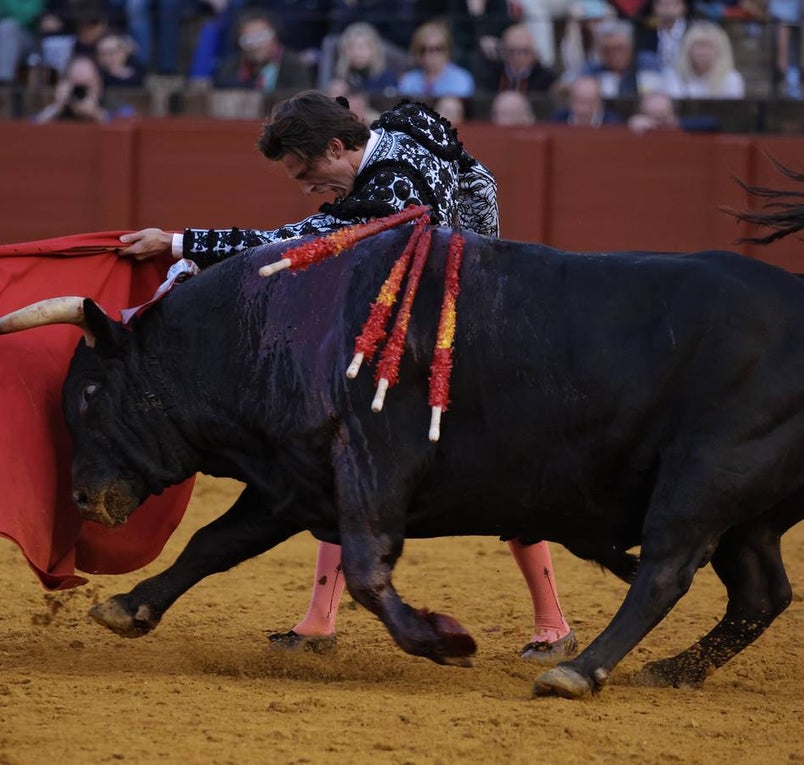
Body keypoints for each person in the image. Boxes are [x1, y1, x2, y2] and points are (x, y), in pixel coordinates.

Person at [116, 90, 577, 662]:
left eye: (309, 174)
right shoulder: (413, 123)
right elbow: (481, 179)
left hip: (448, 346)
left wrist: (181, 242)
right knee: (341, 459)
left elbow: (295, 242)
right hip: (445, 329)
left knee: (501, 471)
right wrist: (486, 250)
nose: (309, 188)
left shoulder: (388, 190)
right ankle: (319, 621)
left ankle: (554, 623)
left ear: (338, 146)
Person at [213, 8, 314, 92]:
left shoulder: (295, 66)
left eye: (261, 37)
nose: (256, 45)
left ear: (275, 37)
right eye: (248, 40)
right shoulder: (228, 69)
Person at [33, 53, 132, 122]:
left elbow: (127, 124)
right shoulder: (59, 110)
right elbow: (28, 131)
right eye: (77, 86)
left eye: (86, 86)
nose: (80, 92)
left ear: (99, 85)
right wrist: (56, 108)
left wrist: (98, 114)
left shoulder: (118, 108)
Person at [662, 19, 744, 99]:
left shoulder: (731, 79)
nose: (702, 52)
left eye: (708, 46)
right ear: (687, 50)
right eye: (698, 46)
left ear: (719, 51)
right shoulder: (674, 76)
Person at [397, 20, 475, 99]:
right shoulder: (409, 80)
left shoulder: (461, 79)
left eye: (436, 49)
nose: (428, 55)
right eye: (423, 50)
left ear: (447, 50)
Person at [476, 22, 557, 94]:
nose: (518, 57)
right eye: (512, 51)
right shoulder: (491, 75)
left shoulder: (546, 79)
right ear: (503, 52)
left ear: (534, 54)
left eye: (524, 51)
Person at [328, 21, 401, 98]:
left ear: (374, 50)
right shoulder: (340, 79)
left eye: (362, 47)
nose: (356, 52)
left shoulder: (386, 78)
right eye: (351, 47)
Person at [551, 73, 623, 126]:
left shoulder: (613, 124)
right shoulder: (557, 121)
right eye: (578, 101)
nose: (583, 109)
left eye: (589, 103)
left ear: (599, 104)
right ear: (570, 101)